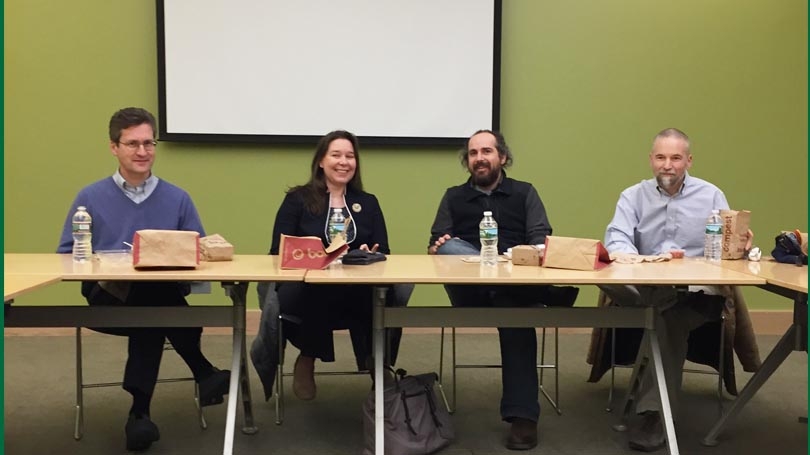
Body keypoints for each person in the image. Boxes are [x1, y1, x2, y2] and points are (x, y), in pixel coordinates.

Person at [57, 107, 230, 452]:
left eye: (149, 143)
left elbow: (195, 253)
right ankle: (203, 370)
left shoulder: (178, 197)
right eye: (132, 143)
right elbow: (66, 254)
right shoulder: (89, 198)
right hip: (108, 297)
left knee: (151, 312)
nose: (142, 151)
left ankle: (139, 414)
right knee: (157, 308)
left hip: (160, 294)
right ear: (114, 147)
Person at [602, 127, 755, 452]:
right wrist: (636, 256)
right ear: (651, 160)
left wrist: (739, 243)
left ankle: (654, 416)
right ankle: (662, 301)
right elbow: (615, 237)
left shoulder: (711, 195)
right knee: (607, 276)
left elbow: (728, 247)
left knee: (664, 319)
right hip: (646, 287)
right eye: (660, 157)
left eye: (675, 158)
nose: (667, 165)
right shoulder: (633, 196)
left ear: (688, 160)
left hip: (696, 296)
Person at [428, 129, 577, 451]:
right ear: (468, 161)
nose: (479, 158)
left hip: (513, 287)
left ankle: (523, 418)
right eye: (473, 153)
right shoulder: (453, 196)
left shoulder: (524, 193)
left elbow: (540, 239)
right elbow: (438, 242)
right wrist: (459, 252)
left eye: (486, 151)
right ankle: (542, 293)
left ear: (502, 157)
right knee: (450, 247)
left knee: (516, 316)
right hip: (468, 288)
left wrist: (515, 261)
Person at [268, 130, 399, 401]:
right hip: (304, 287)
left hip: (357, 285)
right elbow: (276, 251)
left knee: (387, 292)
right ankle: (308, 358)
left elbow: (383, 250)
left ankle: (376, 362)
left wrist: (368, 253)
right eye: (336, 155)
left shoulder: (368, 202)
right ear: (321, 161)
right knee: (321, 287)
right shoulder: (297, 199)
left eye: (350, 156)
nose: (344, 162)